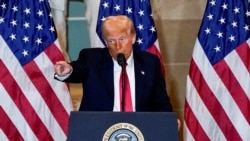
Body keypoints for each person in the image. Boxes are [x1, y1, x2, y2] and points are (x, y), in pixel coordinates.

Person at [54, 15, 173, 112]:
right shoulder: (93, 58)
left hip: (140, 130)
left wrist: (169, 122)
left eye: (122, 39)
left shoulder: (150, 63)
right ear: (105, 42)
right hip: (99, 130)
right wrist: (69, 70)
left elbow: (161, 101)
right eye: (111, 41)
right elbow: (78, 69)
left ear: (133, 37)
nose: (117, 46)